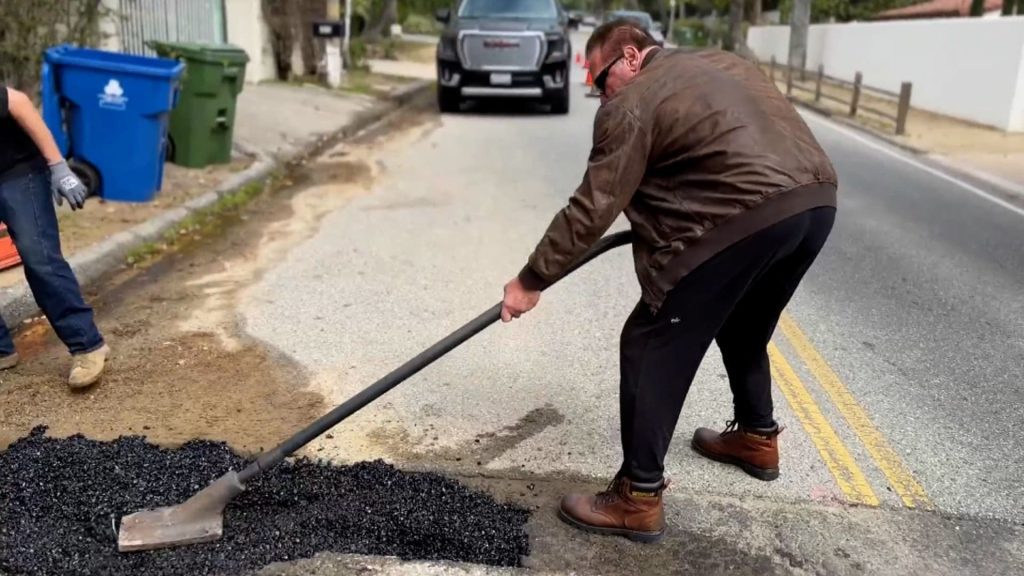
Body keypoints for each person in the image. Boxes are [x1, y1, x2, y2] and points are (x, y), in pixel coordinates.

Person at [500, 20, 838, 543]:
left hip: (742, 215)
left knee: (649, 340)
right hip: (814, 204)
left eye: (599, 79)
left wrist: (531, 279)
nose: (598, 94)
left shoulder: (633, 101)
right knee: (745, 327)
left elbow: (593, 206)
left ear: (631, 58)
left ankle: (637, 497)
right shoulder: (723, 62)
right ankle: (756, 437)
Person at [0, 85, 110, 388]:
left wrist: (59, 168)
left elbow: (19, 103)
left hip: (16, 172)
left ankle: (88, 346)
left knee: (40, 260)